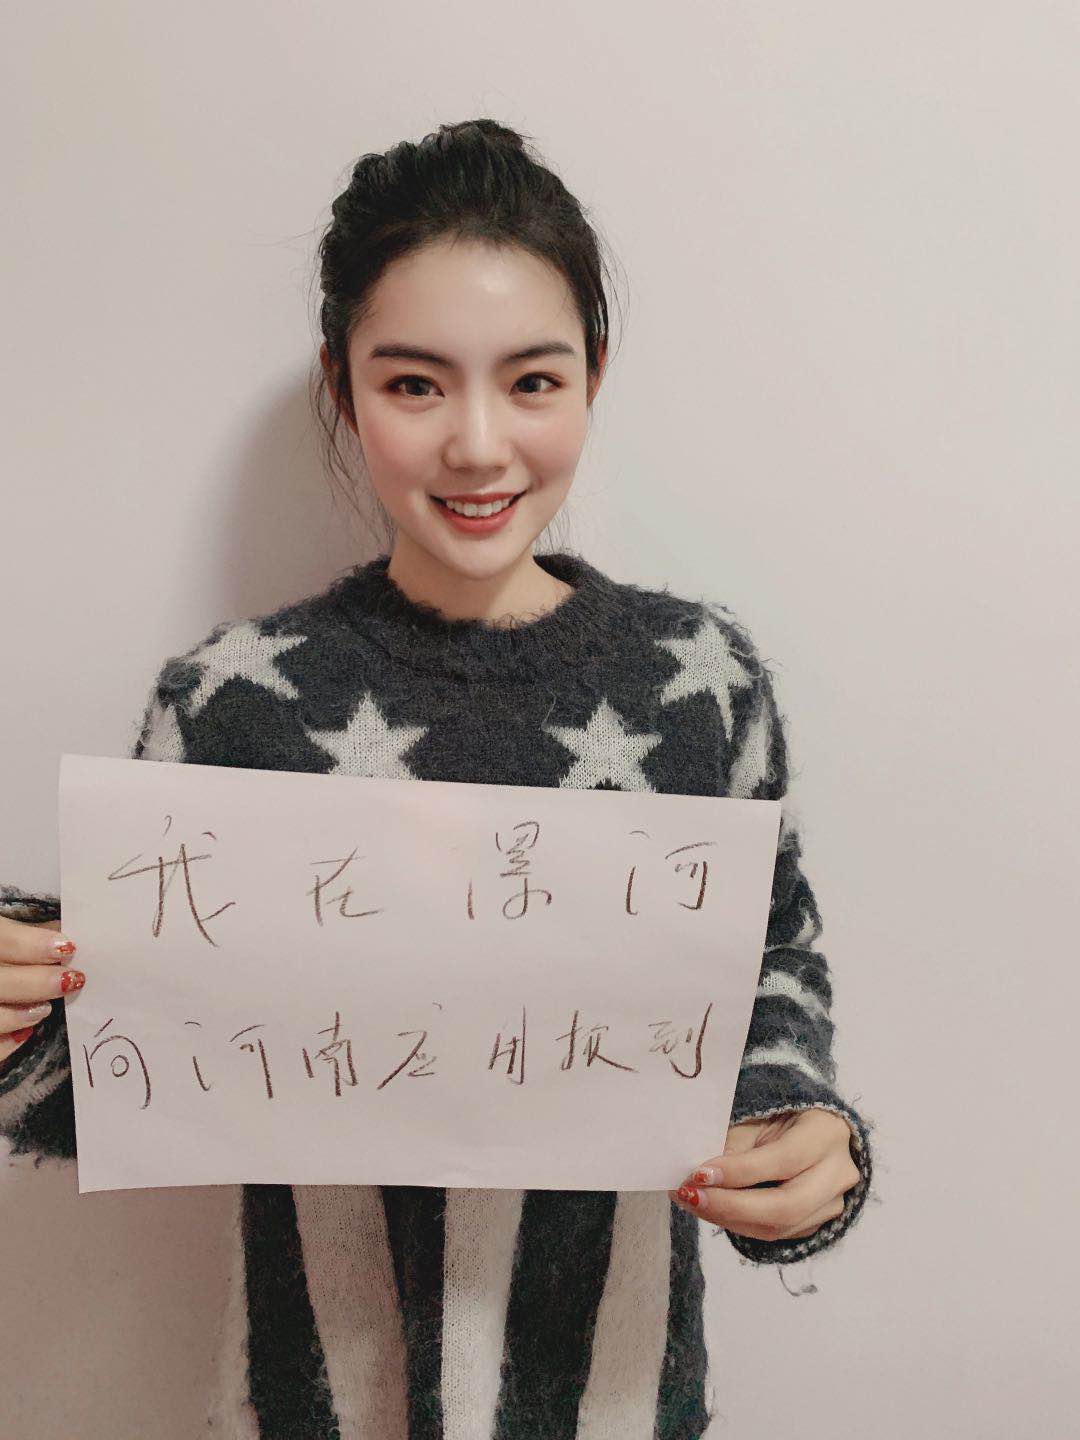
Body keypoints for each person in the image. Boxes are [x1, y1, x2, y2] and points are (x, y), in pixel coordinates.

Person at [0, 118, 875, 1438]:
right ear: (342, 386)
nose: (477, 445)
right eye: (414, 384)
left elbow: (772, 968)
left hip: (614, 1399)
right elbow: (118, 1074)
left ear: (593, 377)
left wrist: (802, 1137)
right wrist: (20, 1000)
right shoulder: (231, 702)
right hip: (315, 1403)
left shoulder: (698, 683)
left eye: (533, 381)